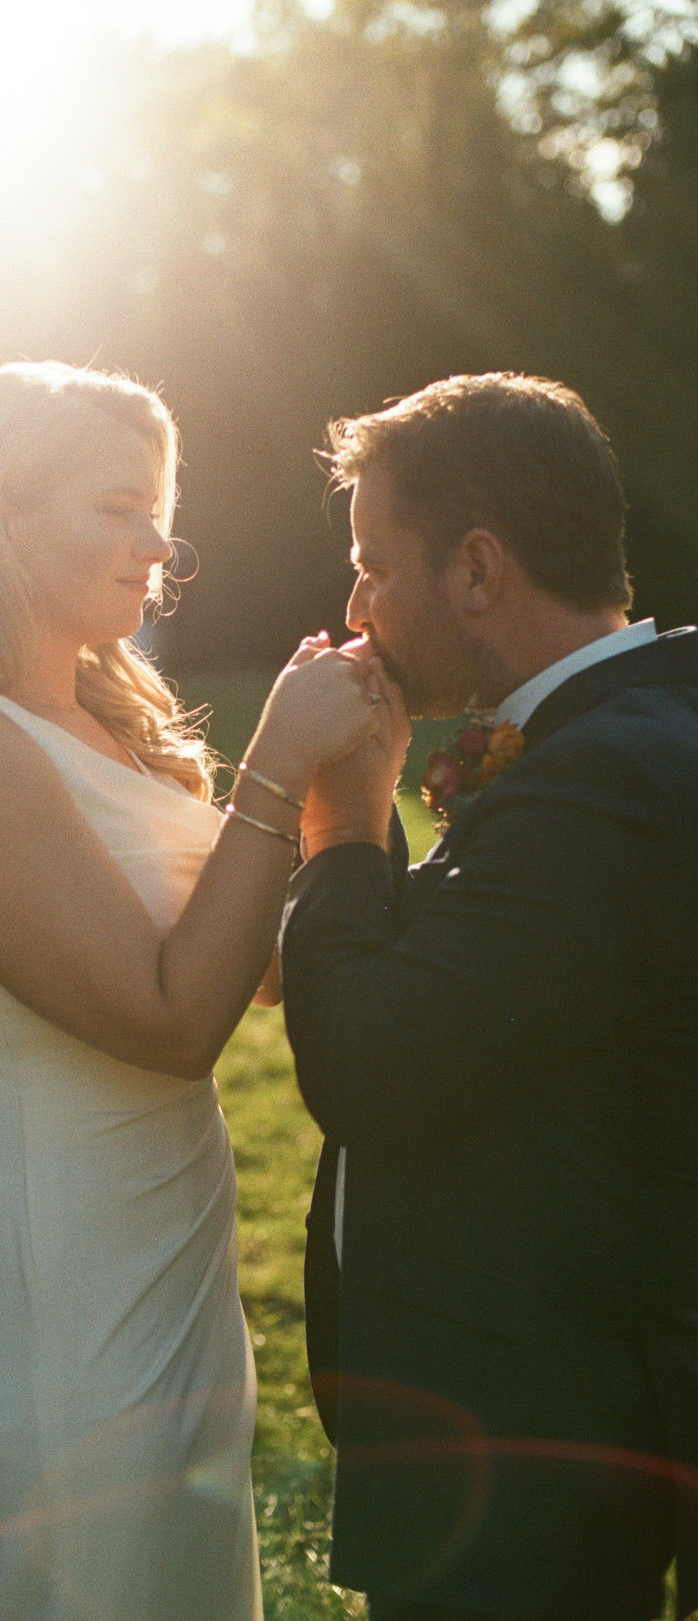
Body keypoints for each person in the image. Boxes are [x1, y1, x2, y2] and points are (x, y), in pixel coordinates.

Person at [0, 360, 380, 1621]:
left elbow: (257, 974)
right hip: (53, 1245)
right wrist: (276, 768)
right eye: (118, 505)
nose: (156, 541)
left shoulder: (105, 724)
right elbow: (172, 1020)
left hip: (168, 1225)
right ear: (2, 512)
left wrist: (353, 787)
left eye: (159, 508)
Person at [279, 371, 698, 1621]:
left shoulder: (605, 779)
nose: (354, 604)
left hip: (538, 1446)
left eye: (371, 565)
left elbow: (368, 1059)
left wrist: (340, 822)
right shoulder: (617, 737)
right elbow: (479, 987)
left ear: (475, 570)